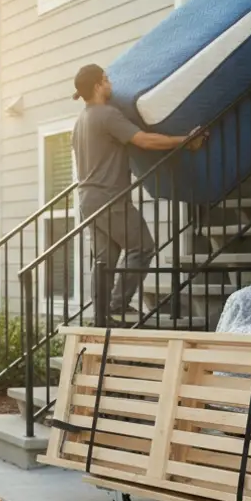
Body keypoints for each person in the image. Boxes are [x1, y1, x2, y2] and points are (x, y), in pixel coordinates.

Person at [70, 64, 205, 322]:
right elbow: (144, 140)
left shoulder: (80, 122)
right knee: (142, 247)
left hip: (87, 199)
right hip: (108, 197)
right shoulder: (107, 115)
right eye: (106, 79)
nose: (110, 83)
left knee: (104, 260)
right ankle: (118, 305)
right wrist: (185, 141)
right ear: (98, 86)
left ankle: (101, 316)